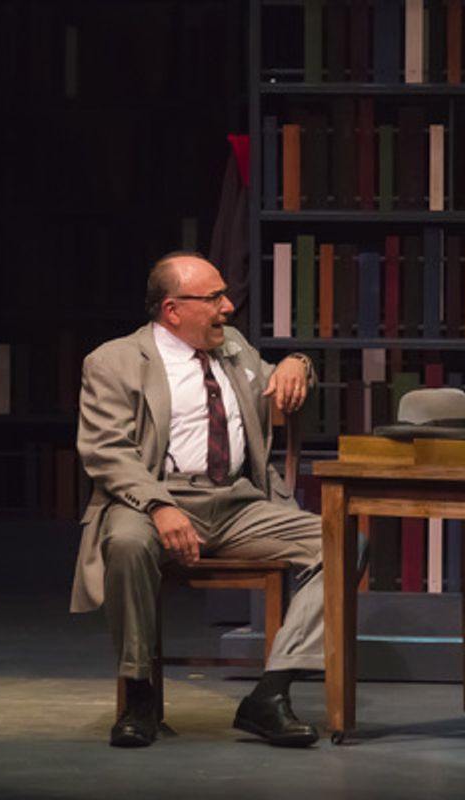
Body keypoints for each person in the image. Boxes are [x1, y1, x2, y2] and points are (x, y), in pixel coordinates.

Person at [72, 252, 325, 749]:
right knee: (125, 543)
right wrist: (159, 505)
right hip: (153, 498)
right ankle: (140, 696)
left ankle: (271, 692)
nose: (228, 307)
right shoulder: (114, 361)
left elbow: (282, 375)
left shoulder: (233, 348)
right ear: (172, 310)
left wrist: (299, 363)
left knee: (341, 544)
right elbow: (105, 450)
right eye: (213, 299)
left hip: (236, 503)